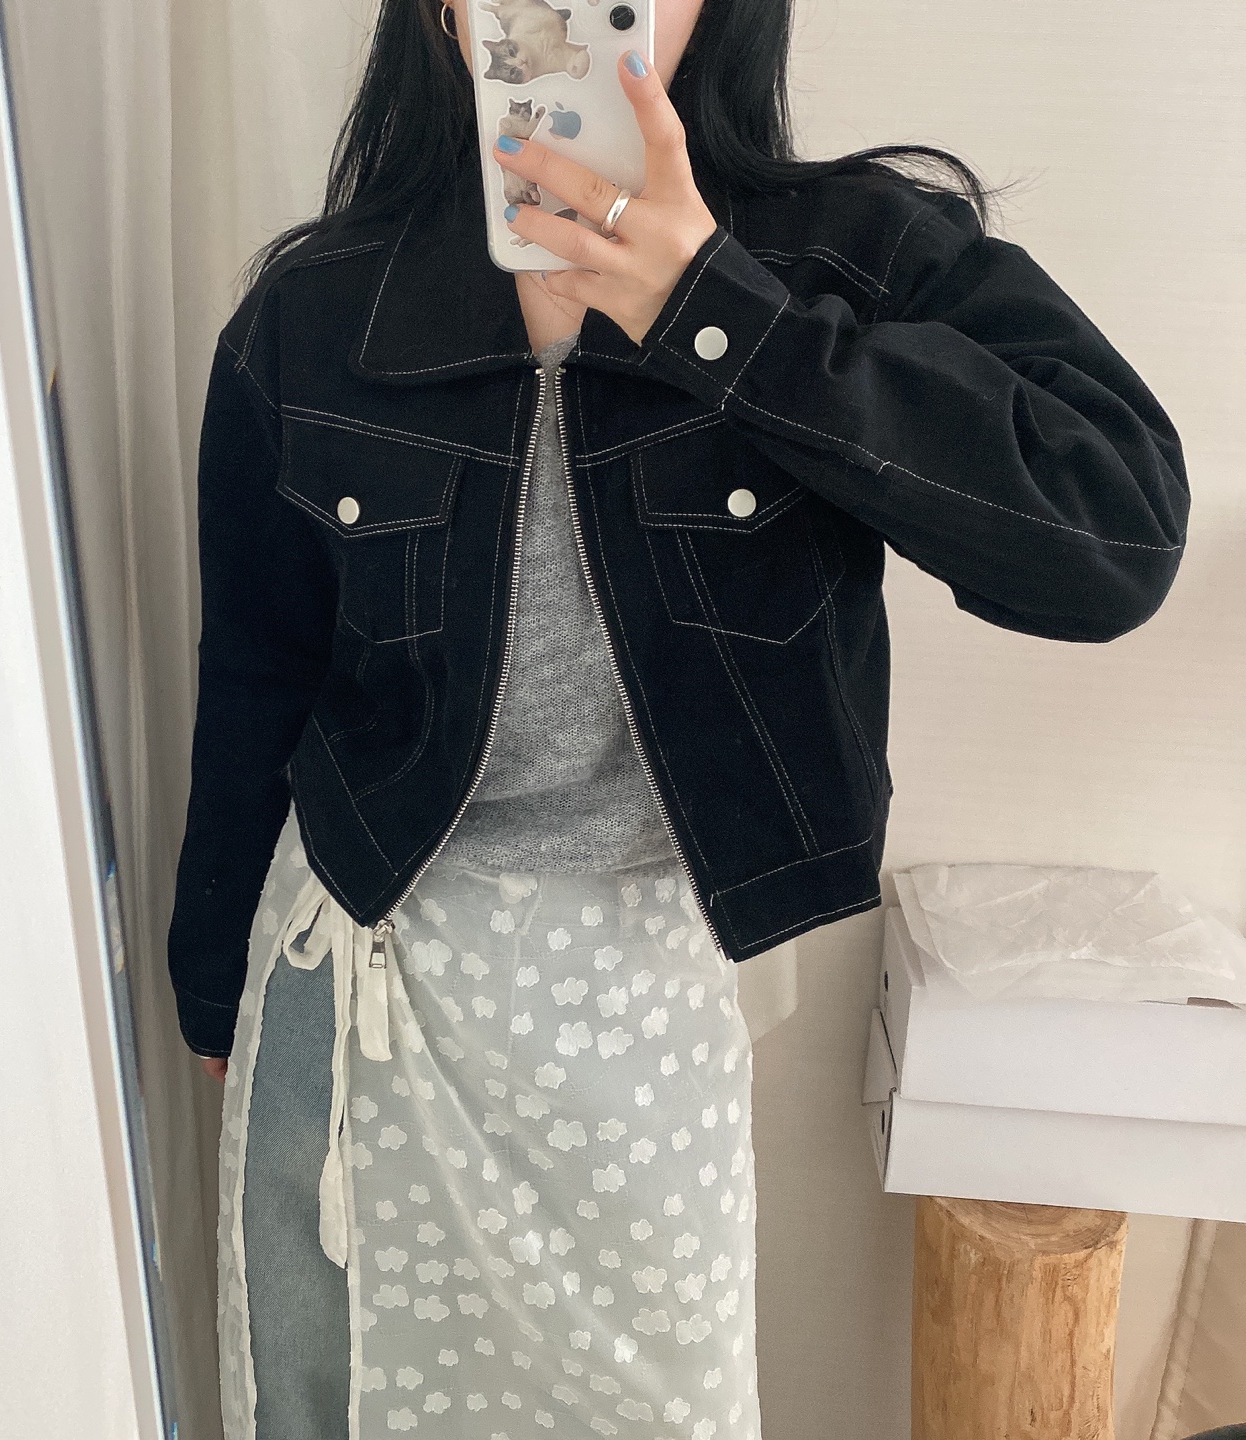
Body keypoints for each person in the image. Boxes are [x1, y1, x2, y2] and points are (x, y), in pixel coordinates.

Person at [166, 1, 1189, 1436]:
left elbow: (1114, 536)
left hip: (637, 1020)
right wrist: (210, 976)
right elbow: (256, 675)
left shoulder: (847, 258)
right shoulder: (314, 314)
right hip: (360, 995)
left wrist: (717, 313)